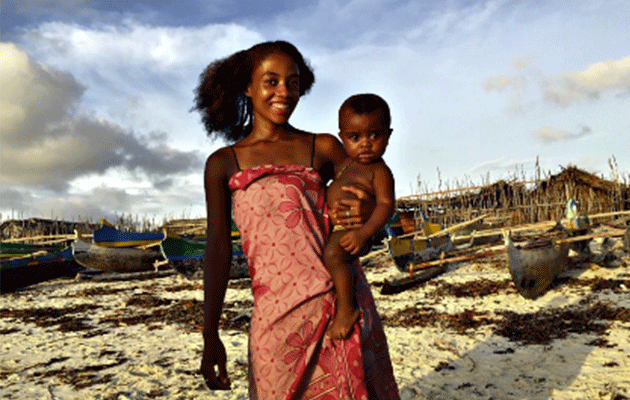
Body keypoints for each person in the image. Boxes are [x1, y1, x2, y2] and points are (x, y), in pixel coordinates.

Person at [193, 40, 400, 400]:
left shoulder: (322, 148)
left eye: (293, 82)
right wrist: (210, 334)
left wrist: (367, 213)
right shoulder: (223, 163)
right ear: (248, 86)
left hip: (341, 308)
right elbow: (218, 249)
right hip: (276, 316)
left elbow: (374, 189)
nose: (284, 92)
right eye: (271, 81)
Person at [323, 94, 395, 341]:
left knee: (333, 255)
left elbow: (386, 205)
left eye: (375, 135)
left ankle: (347, 309)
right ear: (342, 137)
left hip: (356, 230)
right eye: (355, 137)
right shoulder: (344, 166)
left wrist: (364, 233)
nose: (365, 144)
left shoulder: (379, 171)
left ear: (389, 135)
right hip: (339, 226)